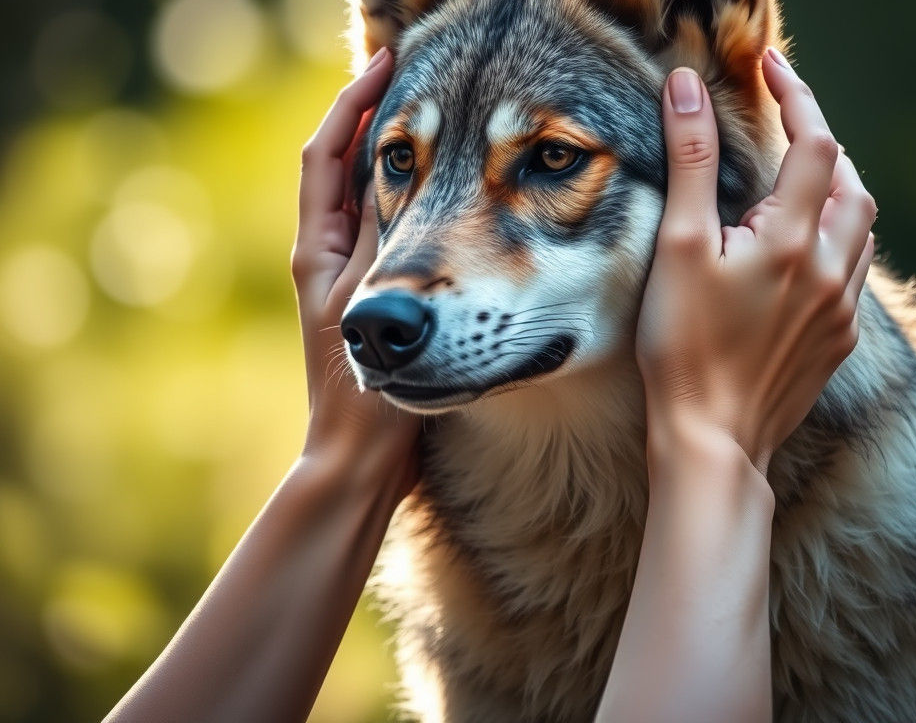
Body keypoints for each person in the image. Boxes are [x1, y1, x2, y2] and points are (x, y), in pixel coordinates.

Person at [103, 46, 875, 723]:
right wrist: (717, 442)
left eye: (552, 159)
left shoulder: (889, 571)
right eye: (401, 162)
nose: (382, 295)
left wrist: (344, 468)